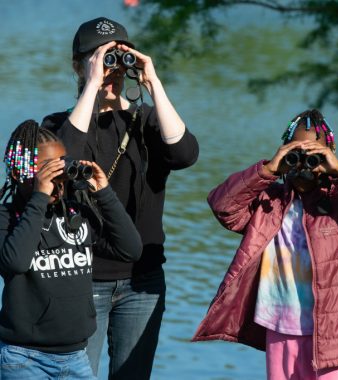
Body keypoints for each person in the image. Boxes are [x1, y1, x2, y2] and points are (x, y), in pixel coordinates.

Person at [41, 17, 199, 379]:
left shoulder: (146, 121)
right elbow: (63, 159)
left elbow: (184, 154)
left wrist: (154, 82)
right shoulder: (55, 126)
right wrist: (93, 84)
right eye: (99, 58)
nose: (111, 69)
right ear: (77, 65)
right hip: (81, 277)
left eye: (117, 58)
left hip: (142, 282)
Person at [192, 109, 338, 380]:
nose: (303, 164)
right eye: (295, 154)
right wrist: (268, 169)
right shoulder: (270, 204)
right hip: (279, 326)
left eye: (313, 155)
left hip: (333, 332)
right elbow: (223, 206)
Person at [0, 120, 142, 379]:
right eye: (46, 170)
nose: (57, 179)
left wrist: (104, 193)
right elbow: (16, 262)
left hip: (76, 357)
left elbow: (130, 250)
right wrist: (39, 198)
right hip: (24, 358)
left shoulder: (76, 215)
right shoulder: (7, 218)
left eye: (60, 166)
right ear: (20, 172)